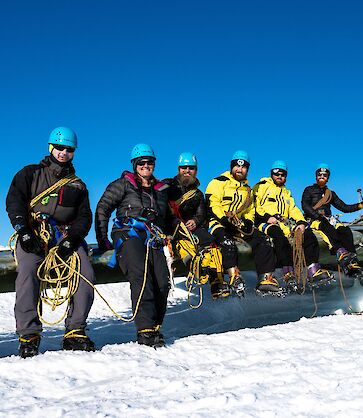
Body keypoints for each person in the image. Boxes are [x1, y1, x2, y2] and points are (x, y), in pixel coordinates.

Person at [6, 126, 95, 357]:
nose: (63, 152)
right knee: (27, 271)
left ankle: (75, 331)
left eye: (69, 149)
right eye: (59, 148)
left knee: (86, 273)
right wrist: (24, 231)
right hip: (35, 233)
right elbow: (14, 201)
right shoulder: (30, 173)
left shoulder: (78, 184)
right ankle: (29, 334)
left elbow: (85, 216)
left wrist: (72, 239)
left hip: (65, 237)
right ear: (51, 148)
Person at [95, 144, 170, 348]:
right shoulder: (122, 185)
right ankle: (145, 329)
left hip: (153, 238)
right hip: (128, 233)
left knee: (163, 282)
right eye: (141, 163)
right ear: (135, 165)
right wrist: (103, 240)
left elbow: (168, 218)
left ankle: (156, 325)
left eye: (149, 162)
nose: (146, 166)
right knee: (141, 275)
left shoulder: (161, 190)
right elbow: (103, 208)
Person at [205, 150, 281, 296]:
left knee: (264, 240)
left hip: (238, 225)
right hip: (219, 222)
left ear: (247, 169)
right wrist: (223, 219)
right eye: (237, 166)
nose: (239, 169)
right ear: (231, 166)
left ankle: (265, 278)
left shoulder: (248, 190)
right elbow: (212, 203)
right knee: (227, 242)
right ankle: (234, 276)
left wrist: (248, 221)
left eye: (243, 167)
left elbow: (250, 209)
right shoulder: (218, 182)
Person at [253, 160, 333, 291]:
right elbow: (255, 205)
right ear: (271, 174)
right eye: (276, 173)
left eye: (282, 174)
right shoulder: (262, 186)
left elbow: (293, 209)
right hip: (265, 222)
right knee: (279, 238)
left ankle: (313, 269)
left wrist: (301, 222)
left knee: (307, 233)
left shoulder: (286, 193)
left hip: (284, 224)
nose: (279, 176)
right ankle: (287, 272)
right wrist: (267, 217)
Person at [164, 152, 229, 299]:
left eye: (191, 168)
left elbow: (201, 214)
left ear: (196, 170)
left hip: (193, 227)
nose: (187, 171)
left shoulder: (198, 194)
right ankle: (197, 269)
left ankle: (216, 281)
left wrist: (195, 221)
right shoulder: (167, 186)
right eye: (184, 168)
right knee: (185, 245)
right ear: (179, 169)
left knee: (211, 244)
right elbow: (160, 206)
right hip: (173, 229)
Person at [301, 163, 363, 278]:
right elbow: (305, 206)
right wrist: (317, 215)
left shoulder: (331, 194)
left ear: (328, 178)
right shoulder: (309, 190)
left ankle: (352, 262)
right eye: (320, 174)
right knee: (326, 226)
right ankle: (340, 252)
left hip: (329, 218)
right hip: (314, 219)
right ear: (316, 176)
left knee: (345, 230)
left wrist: (359, 206)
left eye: (325, 175)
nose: (322, 176)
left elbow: (344, 207)